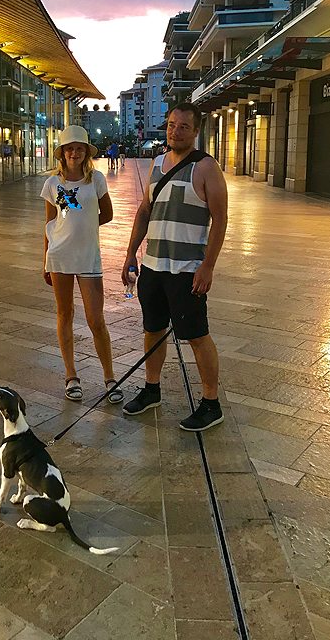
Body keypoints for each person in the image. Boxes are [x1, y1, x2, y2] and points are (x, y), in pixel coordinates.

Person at [121, 104, 228, 431]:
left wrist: (207, 266)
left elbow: (220, 220)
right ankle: (152, 389)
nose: (175, 131)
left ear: (195, 131)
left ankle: (211, 403)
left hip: (187, 270)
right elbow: (144, 212)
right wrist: (130, 254)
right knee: (152, 330)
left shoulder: (207, 167)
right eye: (171, 125)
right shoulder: (156, 164)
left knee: (197, 336)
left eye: (183, 126)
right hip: (153, 267)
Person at [42, 125, 123, 403]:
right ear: (62, 153)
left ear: (86, 152)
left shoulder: (96, 179)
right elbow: (51, 224)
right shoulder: (53, 184)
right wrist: (45, 259)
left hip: (88, 257)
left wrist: (86, 227)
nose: (74, 153)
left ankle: (110, 377)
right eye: (69, 148)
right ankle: (71, 375)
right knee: (64, 314)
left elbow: (107, 214)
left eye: (79, 148)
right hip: (60, 256)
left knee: (95, 319)